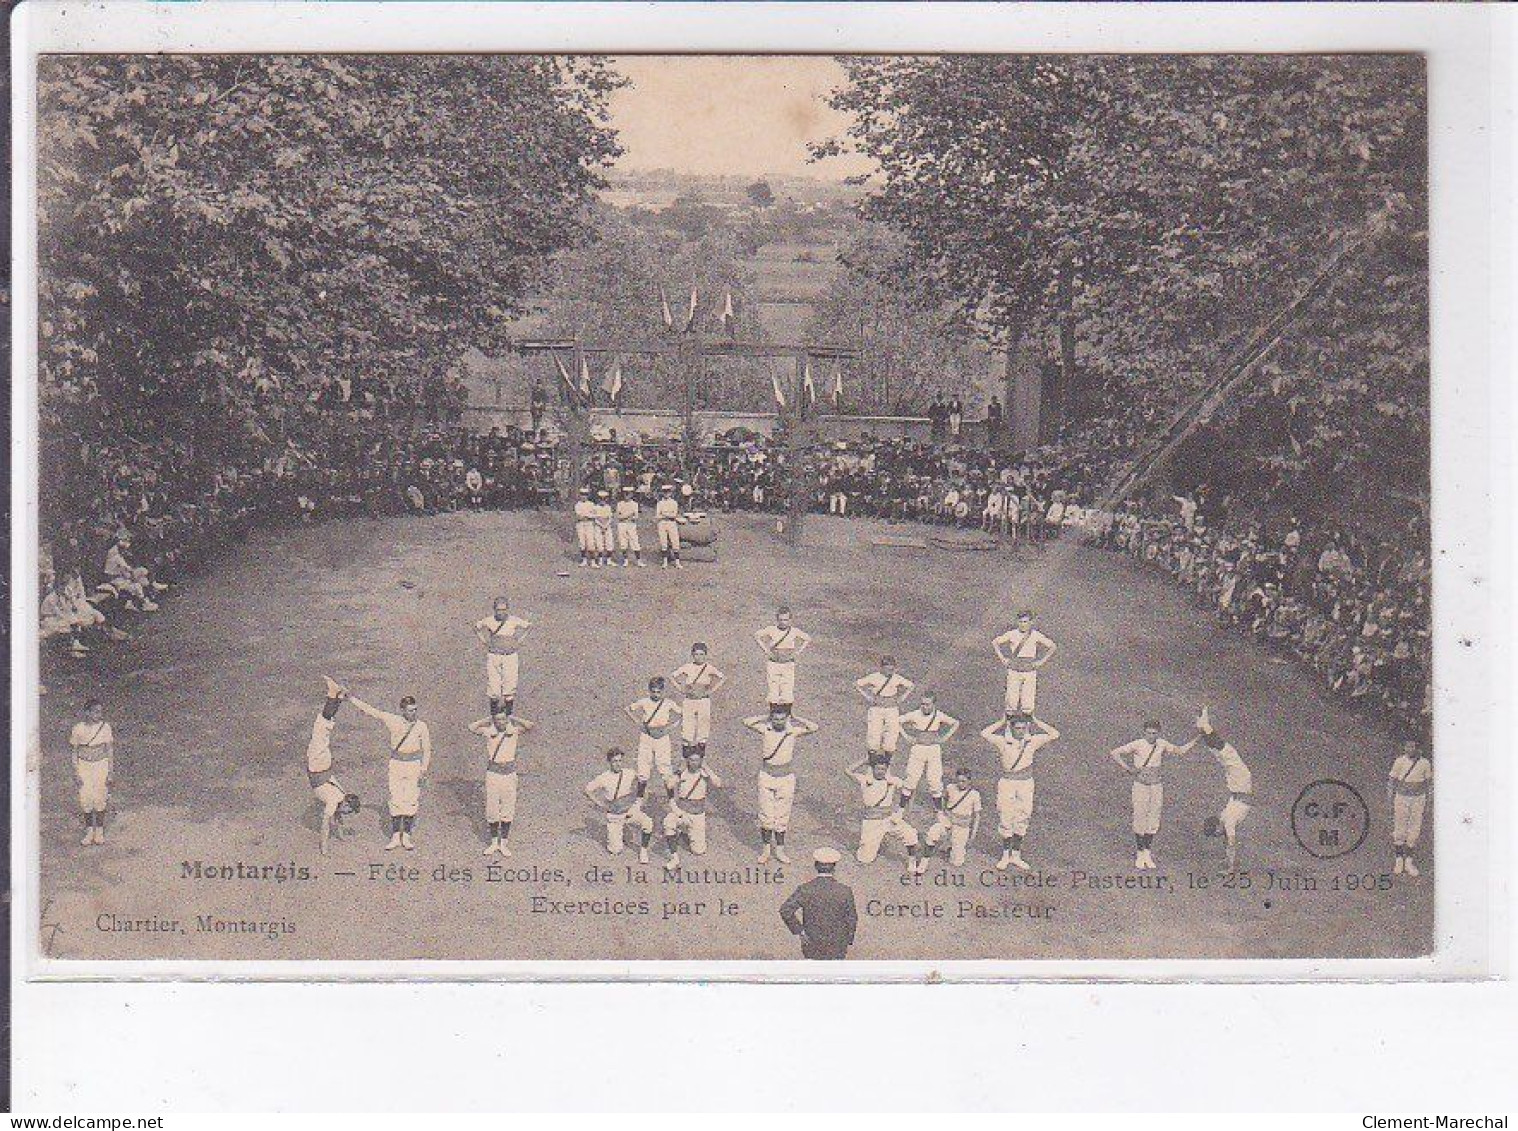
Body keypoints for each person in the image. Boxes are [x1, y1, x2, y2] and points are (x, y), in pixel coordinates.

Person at [348, 691, 433, 851]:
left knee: (411, 798)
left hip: (414, 764)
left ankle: (406, 836)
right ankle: (395, 836)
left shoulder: (422, 726)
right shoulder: (392, 720)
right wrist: (350, 698)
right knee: (396, 798)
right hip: (396, 764)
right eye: (410, 710)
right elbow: (371, 711)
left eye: (415, 710)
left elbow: (427, 749)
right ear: (402, 710)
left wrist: (423, 769)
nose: (413, 713)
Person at [1109, 720, 1197, 871]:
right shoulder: (1138, 744)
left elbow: (1180, 751)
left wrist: (1197, 739)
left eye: (1154, 733)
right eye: (1149, 733)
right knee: (1140, 816)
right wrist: (1127, 768)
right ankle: (1140, 853)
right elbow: (1115, 752)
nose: (1151, 736)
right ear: (1144, 733)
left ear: (1159, 733)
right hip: (1140, 785)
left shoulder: (1162, 744)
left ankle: (1147, 852)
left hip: (1156, 786)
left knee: (1154, 817)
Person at [981, 713, 1060, 871]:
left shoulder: (1032, 741)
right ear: (1011, 728)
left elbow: (1054, 734)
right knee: (1005, 815)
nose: (1021, 731)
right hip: (1007, 782)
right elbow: (984, 733)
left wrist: (1036, 720)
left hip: (1025, 783)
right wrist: (1001, 721)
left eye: (1023, 728)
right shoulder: (1003, 741)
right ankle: (1005, 856)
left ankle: (1016, 855)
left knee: (1023, 816)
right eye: (1017, 728)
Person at [741, 706, 819, 864]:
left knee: (782, 817)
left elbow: (813, 727)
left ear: (787, 719)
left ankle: (780, 850)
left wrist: (796, 717)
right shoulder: (766, 729)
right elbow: (746, 722)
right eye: (776, 718)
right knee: (766, 816)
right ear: (772, 719)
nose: (778, 721)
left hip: (786, 778)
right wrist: (765, 715)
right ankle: (766, 850)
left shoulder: (792, 732)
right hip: (767, 777)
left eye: (782, 718)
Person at [468, 707, 535, 857]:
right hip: (493, 774)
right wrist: (488, 718)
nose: (501, 722)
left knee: (507, 808)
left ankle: (503, 842)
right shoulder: (489, 731)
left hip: (509, 774)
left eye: (503, 719)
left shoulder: (514, 731)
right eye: (498, 719)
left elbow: (530, 726)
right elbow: (471, 727)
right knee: (492, 808)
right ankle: (493, 843)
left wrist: (513, 717)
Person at [1194, 707, 1253, 869]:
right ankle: (1204, 726)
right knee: (1221, 753)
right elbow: (1228, 839)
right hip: (1238, 786)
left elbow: (1231, 843)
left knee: (1222, 753)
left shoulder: (1227, 820)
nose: (1219, 834)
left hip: (1239, 784)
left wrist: (1230, 867)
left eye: (1217, 832)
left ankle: (1205, 725)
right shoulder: (1225, 818)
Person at [308, 677, 361, 856]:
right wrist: (324, 847)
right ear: (346, 802)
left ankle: (337, 696)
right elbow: (326, 822)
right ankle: (333, 694)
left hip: (323, 765)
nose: (345, 813)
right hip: (318, 764)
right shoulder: (334, 801)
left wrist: (340, 835)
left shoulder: (340, 797)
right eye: (348, 810)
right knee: (321, 729)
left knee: (324, 729)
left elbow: (337, 817)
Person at [846, 756, 922, 875]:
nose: (880, 771)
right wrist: (864, 761)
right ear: (872, 768)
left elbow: (910, 789)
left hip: (889, 818)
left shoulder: (892, 781)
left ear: (887, 769)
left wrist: (905, 809)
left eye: (883, 769)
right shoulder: (865, 780)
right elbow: (847, 771)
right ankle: (871, 845)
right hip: (872, 822)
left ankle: (912, 862)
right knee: (864, 859)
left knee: (911, 835)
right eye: (878, 769)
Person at [779, 847, 858, 960]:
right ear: (834, 867)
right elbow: (852, 918)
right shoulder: (845, 891)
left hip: (812, 940)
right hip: (837, 943)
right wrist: (848, 940)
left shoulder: (805, 889)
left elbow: (785, 910)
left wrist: (800, 931)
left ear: (816, 866)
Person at [584, 747, 655, 863]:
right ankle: (618, 833)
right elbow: (587, 790)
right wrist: (601, 804)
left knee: (648, 822)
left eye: (620, 761)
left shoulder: (629, 773)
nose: (618, 764)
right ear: (609, 762)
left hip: (630, 811)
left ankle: (643, 850)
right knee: (615, 850)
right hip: (614, 815)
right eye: (614, 761)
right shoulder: (603, 777)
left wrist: (640, 801)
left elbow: (642, 782)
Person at [896, 692, 960, 812]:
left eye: (928, 704)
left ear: (933, 704)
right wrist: (906, 736)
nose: (924, 707)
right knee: (911, 778)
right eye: (922, 704)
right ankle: (900, 810)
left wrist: (945, 738)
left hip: (933, 749)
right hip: (918, 749)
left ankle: (939, 811)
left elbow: (955, 723)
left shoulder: (939, 715)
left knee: (934, 780)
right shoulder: (915, 714)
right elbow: (897, 721)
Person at [663, 747, 723, 873]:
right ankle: (674, 858)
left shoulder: (704, 773)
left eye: (697, 760)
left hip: (697, 815)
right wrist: (679, 770)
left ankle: (685, 832)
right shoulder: (682, 773)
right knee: (668, 822)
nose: (694, 763)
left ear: (701, 760)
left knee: (698, 851)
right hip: (682, 812)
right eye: (691, 760)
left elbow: (718, 784)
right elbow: (669, 785)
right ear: (687, 760)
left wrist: (706, 767)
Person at [626, 676, 683, 800]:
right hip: (647, 736)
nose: (656, 694)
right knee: (643, 767)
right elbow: (628, 709)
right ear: (649, 690)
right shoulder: (644, 701)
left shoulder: (668, 703)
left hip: (662, 737)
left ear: (663, 691)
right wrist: (638, 723)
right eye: (653, 691)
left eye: (659, 692)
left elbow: (683, 713)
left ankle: (672, 801)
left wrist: (672, 726)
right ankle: (638, 801)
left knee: (665, 768)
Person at [474, 596, 533, 717]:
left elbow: (528, 626)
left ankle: (508, 716)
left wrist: (519, 641)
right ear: (494, 610)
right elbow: (476, 627)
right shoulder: (489, 620)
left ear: (507, 609)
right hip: (494, 656)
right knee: (494, 689)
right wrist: (485, 642)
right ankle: (494, 716)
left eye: (504, 609)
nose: (501, 612)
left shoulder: (513, 620)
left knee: (510, 686)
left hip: (510, 656)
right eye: (499, 610)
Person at [992, 611, 1057, 715]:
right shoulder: (1012, 634)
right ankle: (1009, 729)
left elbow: (1052, 646)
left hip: (1029, 671)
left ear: (1031, 622)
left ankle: (1026, 729)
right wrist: (1002, 658)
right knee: (1011, 702)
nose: (1023, 624)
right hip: (1014, 670)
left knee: (1028, 703)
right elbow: (995, 642)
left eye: (1025, 622)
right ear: (1018, 622)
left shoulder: (1035, 635)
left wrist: (1041, 661)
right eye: (1021, 622)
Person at [69, 699, 114, 846]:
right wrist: (76, 771)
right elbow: (74, 752)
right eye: (95, 711)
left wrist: (110, 771)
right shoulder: (78, 729)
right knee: (86, 797)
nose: (98, 714)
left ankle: (99, 831)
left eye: (100, 711)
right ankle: (89, 831)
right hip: (84, 766)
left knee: (100, 797)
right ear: (87, 712)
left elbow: (109, 750)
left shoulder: (105, 727)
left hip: (101, 765)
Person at [671, 642, 726, 759]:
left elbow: (722, 677)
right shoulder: (687, 667)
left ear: (706, 655)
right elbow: (672, 676)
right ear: (692, 655)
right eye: (696, 654)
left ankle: (700, 755)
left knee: (703, 724)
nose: (699, 657)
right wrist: (680, 688)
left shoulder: (709, 668)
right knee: (687, 724)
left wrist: (710, 691)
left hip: (703, 700)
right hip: (689, 700)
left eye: (701, 654)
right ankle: (686, 756)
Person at [1387, 737, 1432, 877]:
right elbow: (1392, 781)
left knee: (1414, 829)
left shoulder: (1424, 763)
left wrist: (1429, 801)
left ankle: (1409, 861)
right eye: (1407, 747)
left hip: (1418, 799)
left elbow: (1429, 783)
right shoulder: (1400, 761)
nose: (1410, 749)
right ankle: (1399, 859)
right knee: (1400, 828)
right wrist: (1390, 798)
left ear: (1417, 748)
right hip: (1401, 798)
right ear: (1404, 748)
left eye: (1413, 747)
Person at [854, 656, 914, 761]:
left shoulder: (896, 678)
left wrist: (902, 697)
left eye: (892, 669)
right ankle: (873, 764)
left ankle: (886, 765)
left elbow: (911, 686)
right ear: (881, 668)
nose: (890, 671)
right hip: (877, 709)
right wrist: (867, 696)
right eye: (887, 669)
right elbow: (857, 684)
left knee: (891, 737)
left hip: (892, 709)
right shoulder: (874, 677)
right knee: (874, 737)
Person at [755, 606, 812, 714]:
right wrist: (766, 650)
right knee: (773, 688)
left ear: (790, 620)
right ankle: (773, 716)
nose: (783, 622)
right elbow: (757, 635)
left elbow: (807, 638)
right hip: (773, 662)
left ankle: (788, 717)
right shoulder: (771, 629)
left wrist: (797, 652)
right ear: (777, 620)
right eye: (781, 620)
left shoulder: (794, 631)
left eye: (786, 620)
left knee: (787, 688)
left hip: (788, 663)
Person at [925, 766, 983, 867]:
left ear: (969, 781)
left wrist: (973, 834)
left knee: (957, 863)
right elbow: (943, 799)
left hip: (962, 826)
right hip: (948, 821)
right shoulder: (950, 787)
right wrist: (941, 813)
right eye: (959, 781)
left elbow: (977, 816)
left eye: (964, 781)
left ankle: (952, 846)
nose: (961, 783)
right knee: (932, 834)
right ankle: (940, 847)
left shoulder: (974, 795)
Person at [615, 485, 644, 567]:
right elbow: (618, 516)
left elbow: (635, 516)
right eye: (625, 494)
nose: (627, 495)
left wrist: (626, 516)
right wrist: (628, 515)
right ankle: (625, 560)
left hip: (631, 525)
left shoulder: (634, 504)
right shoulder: (620, 504)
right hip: (622, 525)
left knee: (635, 542)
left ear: (631, 494)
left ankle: (639, 561)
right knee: (623, 543)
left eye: (628, 494)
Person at [655, 485, 683, 569]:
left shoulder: (674, 503)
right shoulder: (660, 503)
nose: (666, 494)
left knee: (675, 542)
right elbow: (657, 516)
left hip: (671, 523)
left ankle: (677, 562)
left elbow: (674, 515)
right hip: (662, 524)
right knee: (663, 543)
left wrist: (664, 514)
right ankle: (665, 562)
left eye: (668, 492)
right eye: (665, 492)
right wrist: (667, 515)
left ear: (671, 493)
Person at [573, 486, 597, 568]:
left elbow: (594, 515)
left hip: (589, 524)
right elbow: (579, 516)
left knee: (591, 543)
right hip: (580, 524)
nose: (584, 496)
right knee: (582, 543)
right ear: (580, 495)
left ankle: (593, 561)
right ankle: (584, 560)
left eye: (585, 495)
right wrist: (587, 515)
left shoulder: (591, 504)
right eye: (582, 494)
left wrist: (587, 516)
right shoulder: (577, 505)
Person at [592, 490, 615, 568]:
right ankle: (600, 559)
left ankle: (608, 560)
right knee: (599, 544)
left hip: (607, 527)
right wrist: (601, 526)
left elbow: (610, 518)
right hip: (598, 527)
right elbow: (595, 518)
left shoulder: (608, 507)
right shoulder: (595, 507)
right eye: (601, 499)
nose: (603, 500)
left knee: (609, 543)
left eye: (604, 499)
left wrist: (606, 526)